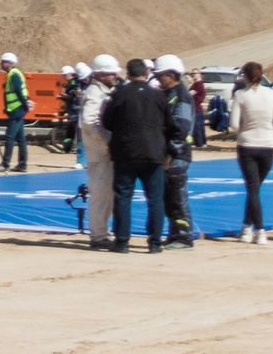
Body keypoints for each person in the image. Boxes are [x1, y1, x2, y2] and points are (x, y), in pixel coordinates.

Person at [100, 56, 170, 251]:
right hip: (154, 153)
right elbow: (170, 125)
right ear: (147, 73)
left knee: (123, 197)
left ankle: (122, 241)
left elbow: (107, 122)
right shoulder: (159, 96)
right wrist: (168, 151)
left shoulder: (119, 95)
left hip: (125, 152)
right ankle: (155, 243)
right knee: (155, 199)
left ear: (128, 75)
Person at [226, 60, 273, 244]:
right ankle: (246, 227)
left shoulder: (240, 95)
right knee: (255, 188)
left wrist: (245, 129)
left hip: (247, 145)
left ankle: (259, 230)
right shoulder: (272, 94)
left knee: (252, 188)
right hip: (268, 145)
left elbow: (234, 125)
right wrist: (270, 132)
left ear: (245, 75)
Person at [154, 55, 198, 249]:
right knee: (168, 197)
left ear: (171, 75)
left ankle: (184, 236)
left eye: (160, 75)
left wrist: (171, 154)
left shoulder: (181, 96)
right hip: (167, 154)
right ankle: (174, 233)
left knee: (177, 197)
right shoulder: (168, 94)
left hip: (176, 156)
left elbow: (181, 128)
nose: (157, 79)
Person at [78, 55, 121, 248]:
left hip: (104, 154)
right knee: (101, 196)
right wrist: (107, 144)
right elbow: (90, 122)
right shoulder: (95, 93)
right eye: (112, 73)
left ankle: (101, 233)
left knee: (107, 196)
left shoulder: (102, 91)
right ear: (101, 74)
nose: (115, 76)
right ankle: (98, 236)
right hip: (100, 154)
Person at [0, 53, 32, 172]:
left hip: (16, 109)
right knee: (21, 138)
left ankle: (5, 163)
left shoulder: (13, 74)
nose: (1, 64)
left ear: (8, 63)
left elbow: (19, 92)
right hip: (16, 109)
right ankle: (22, 164)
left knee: (10, 137)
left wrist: (25, 104)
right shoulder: (14, 74)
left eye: (2, 62)